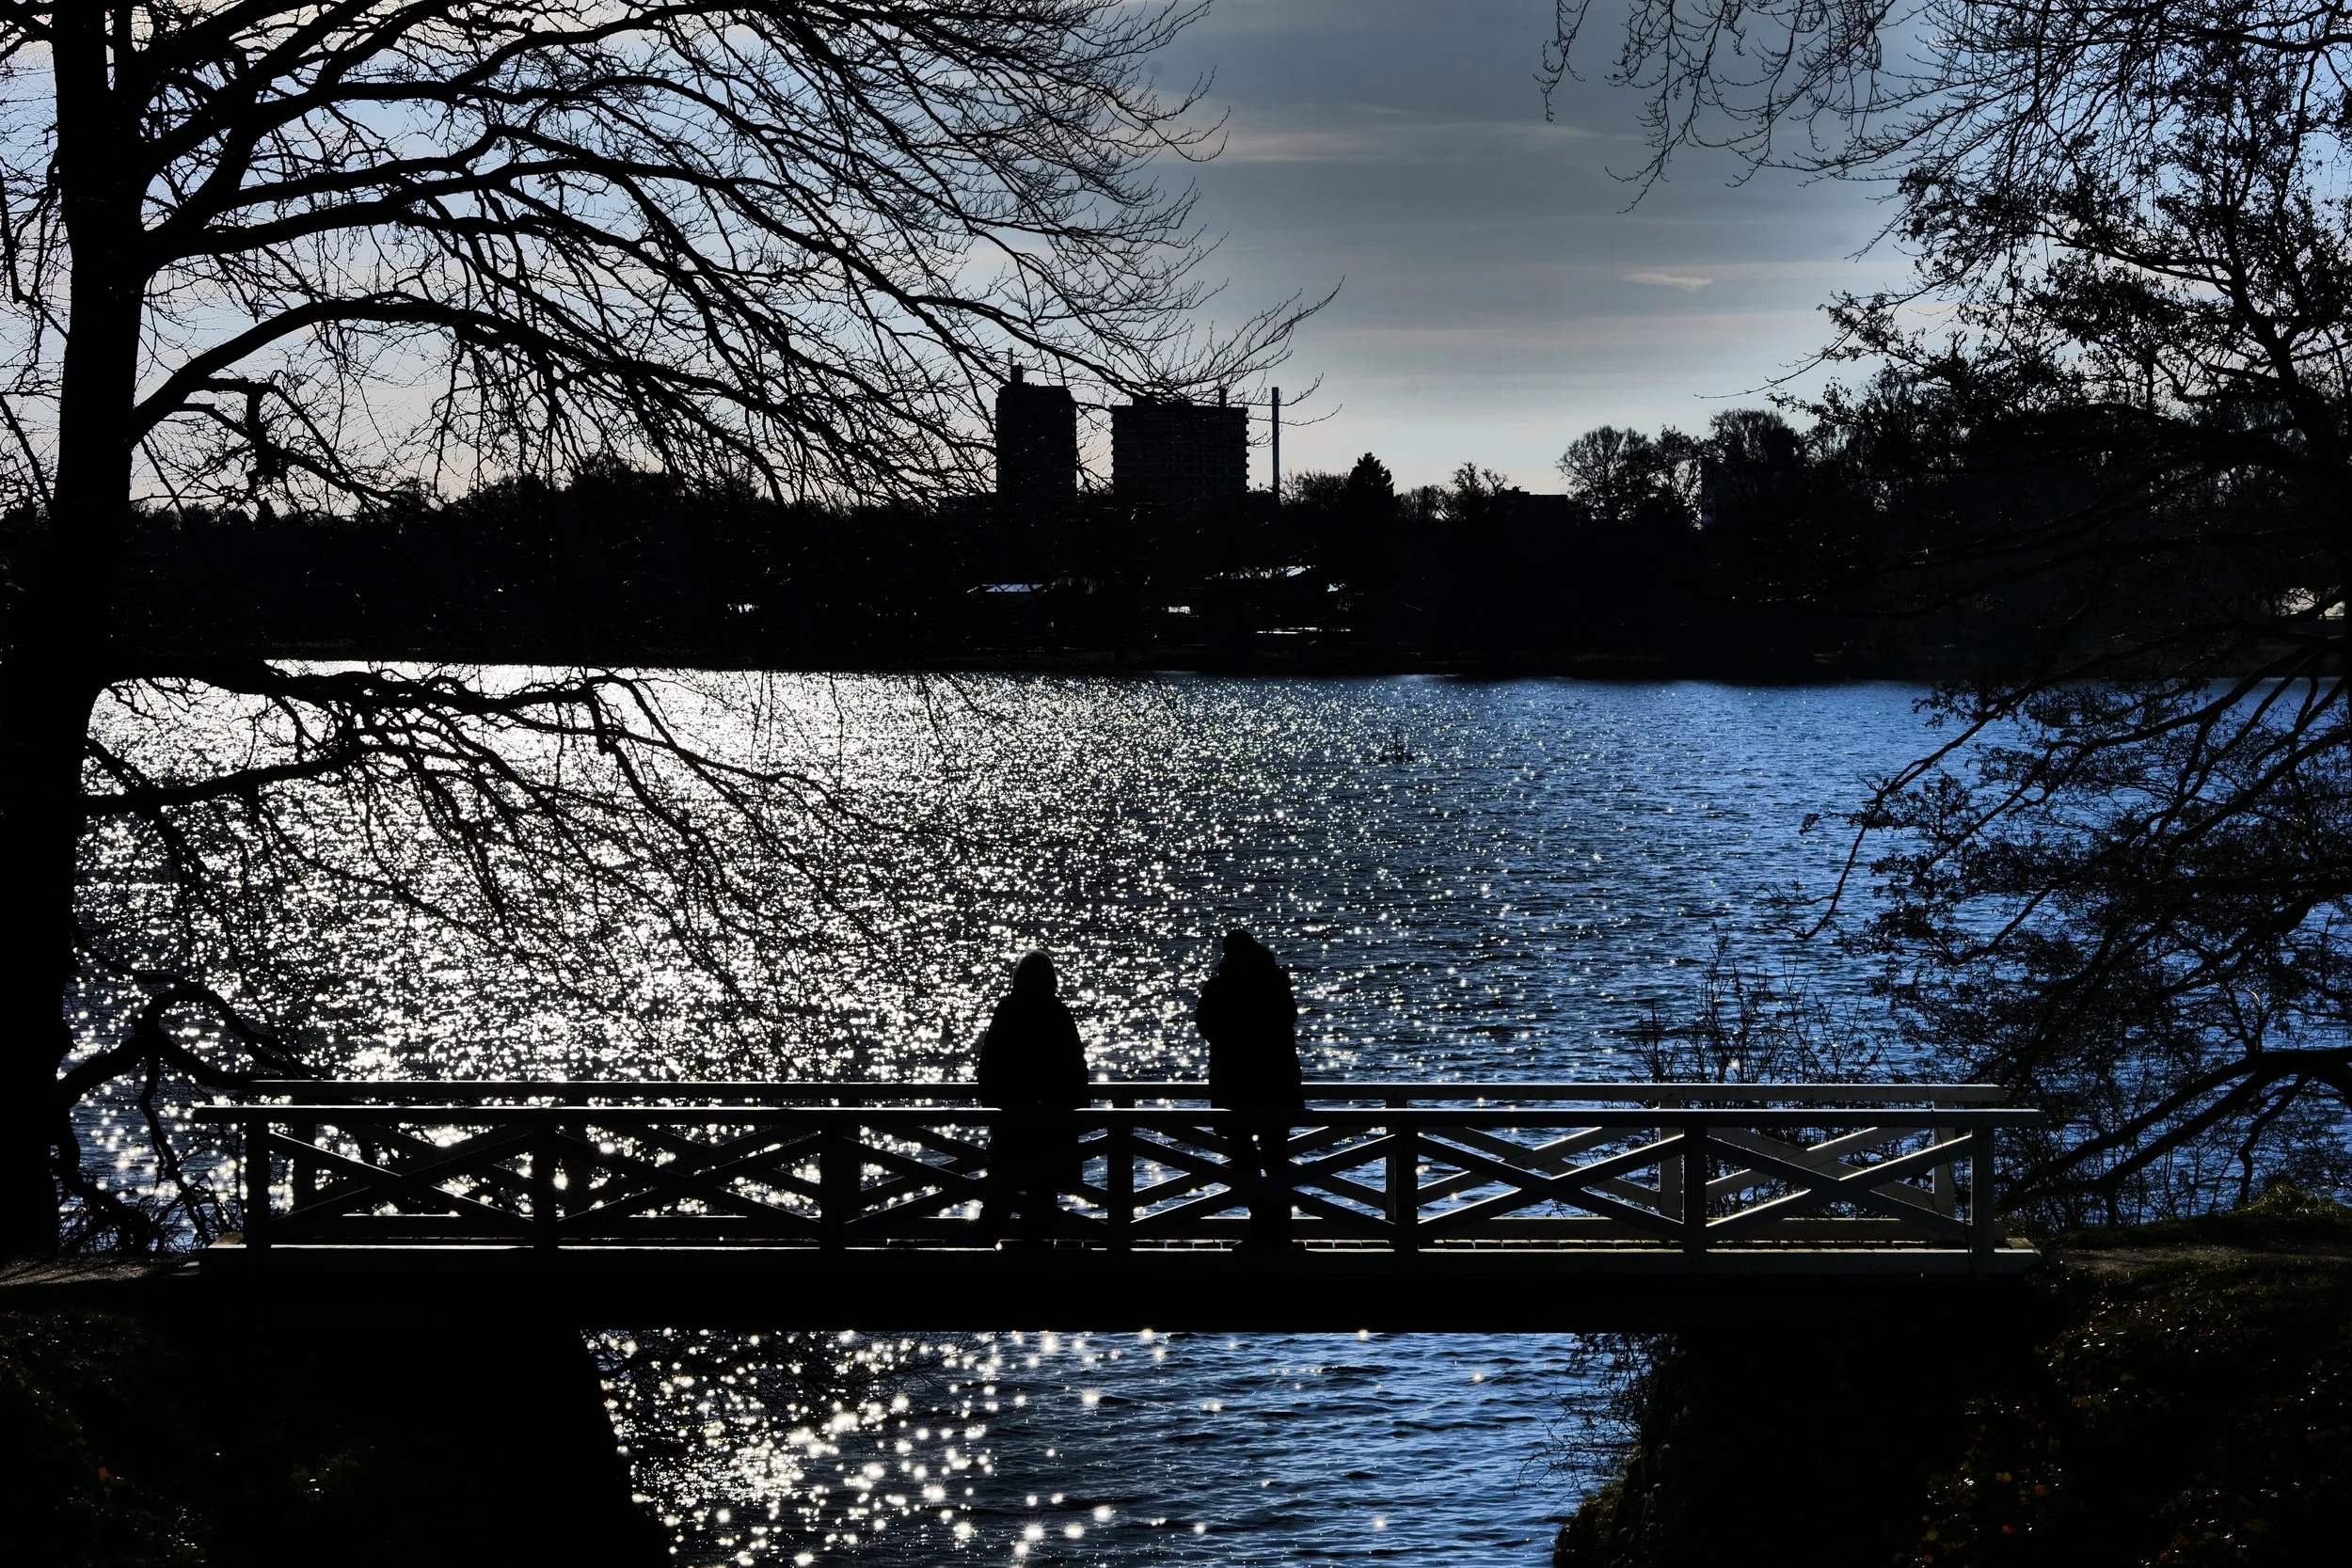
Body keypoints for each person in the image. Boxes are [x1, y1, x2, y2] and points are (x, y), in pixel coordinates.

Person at [1195, 928, 1305, 1247]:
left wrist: (1232, 1035)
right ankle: (1275, 1226)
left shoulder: (1222, 987)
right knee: (1273, 1156)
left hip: (1236, 1085)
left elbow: (1205, 1024)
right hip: (1275, 1085)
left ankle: (1264, 1224)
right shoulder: (1274, 984)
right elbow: (1287, 1020)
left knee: (1250, 1157)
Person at [977, 949, 1089, 1242]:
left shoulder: (1008, 1010)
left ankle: (976, 1257)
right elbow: (1076, 1067)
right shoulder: (1058, 1013)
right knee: (1042, 1198)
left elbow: (989, 1064)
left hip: (1012, 1121)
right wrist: (1075, 1112)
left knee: (1000, 1195)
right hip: (1050, 1123)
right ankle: (1035, 1262)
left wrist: (994, 1104)